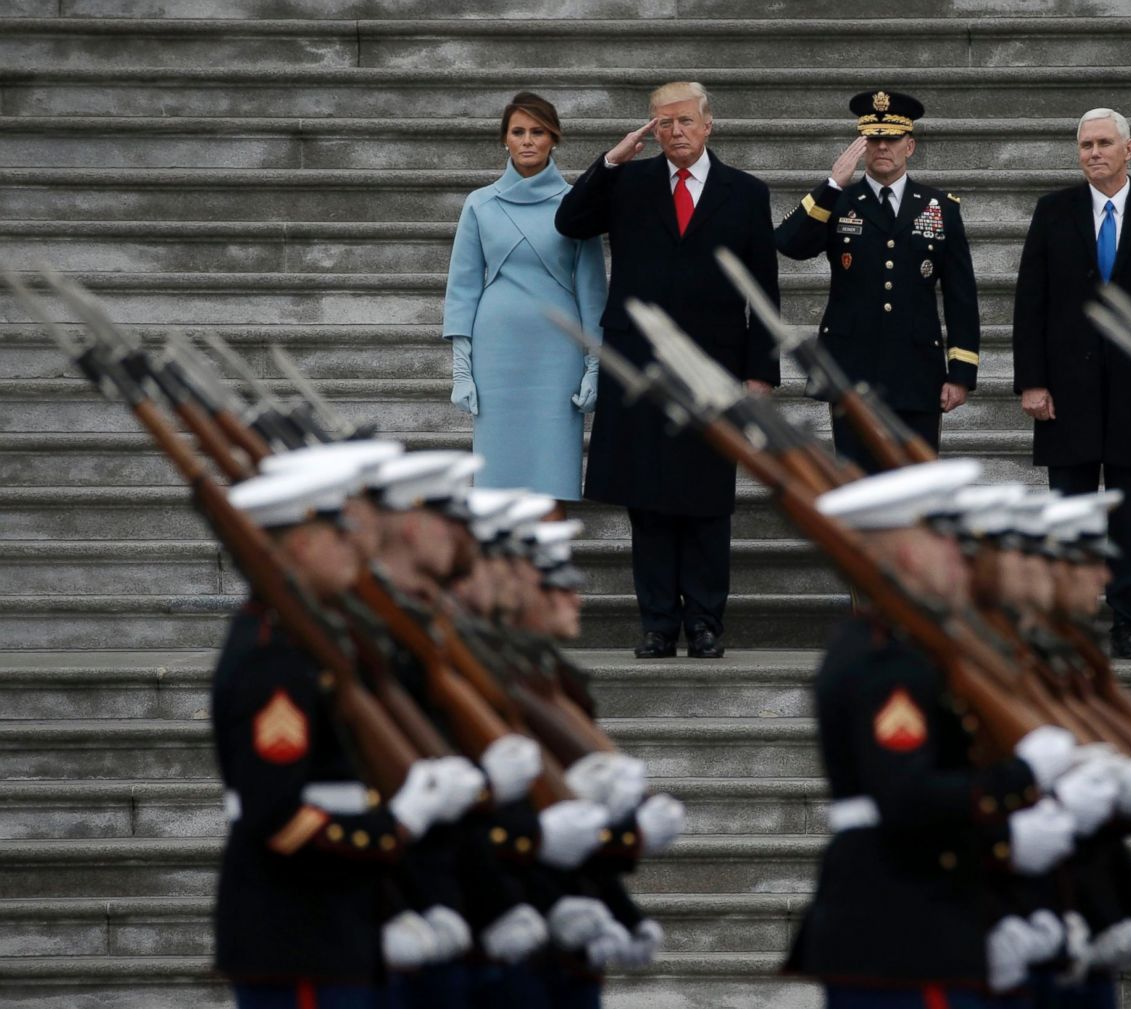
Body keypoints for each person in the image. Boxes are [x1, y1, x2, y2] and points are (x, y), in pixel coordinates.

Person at [785, 457, 1081, 1008]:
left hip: (930, 916)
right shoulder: (885, 662)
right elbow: (906, 796)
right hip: (900, 927)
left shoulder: (909, 649)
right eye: (942, 540)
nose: (959, 555)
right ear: (905, 555)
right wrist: (1020, 783)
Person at [213, 463, 483, 1009]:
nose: (356, 547)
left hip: (336, 922)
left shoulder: (306, 643)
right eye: (339, 535)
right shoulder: (274, 659)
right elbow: (279, 818)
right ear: (303, 547)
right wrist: (394, 825)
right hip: (299, 931)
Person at [555, 80, 782, 660]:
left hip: (714, 364)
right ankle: (657, 622)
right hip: (641, 363)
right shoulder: (628, 181)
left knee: (707, 496)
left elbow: (763, 289)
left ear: (709, 125)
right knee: (648, 495)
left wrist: (761, 371)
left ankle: (706, 621)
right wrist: (609, 161)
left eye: (684, 122)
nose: (674, 132)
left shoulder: (746, 192)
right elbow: (570, 221)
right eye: (663, 123)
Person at [1012, 108, 1131, 660]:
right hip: (1065, 391)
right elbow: (1031, 303)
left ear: (1129, 149)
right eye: (1085, 145)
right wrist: (1031, 381)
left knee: (1128, 517)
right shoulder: (1053, 211)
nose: (1093, 153)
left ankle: (1126, 624)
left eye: (1103, 143)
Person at [773, 89, 980, 472]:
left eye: (892, 139)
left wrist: (962, 373)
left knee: (918, 488)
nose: (882, 146)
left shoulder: (939, 207)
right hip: (852, 368)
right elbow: (788, 244)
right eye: (873, 139)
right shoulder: (840, 201)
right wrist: (832, 185)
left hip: (917, 370)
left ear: (910, 146)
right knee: (857, 484)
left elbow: (961, 296)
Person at [444, 92, 607, 512]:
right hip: (497, 358)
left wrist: (595, 365)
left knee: (552, 479)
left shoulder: (577, 204)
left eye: (538, 132)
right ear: (505, 140)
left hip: (557, 359)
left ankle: (549, 575)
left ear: (554, 139)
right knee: (497, 487)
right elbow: (462, 286)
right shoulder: (479, 203)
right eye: (518, 132)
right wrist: (462, 368)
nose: (528, 141)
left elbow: (592, 288)